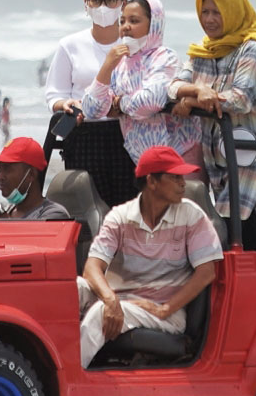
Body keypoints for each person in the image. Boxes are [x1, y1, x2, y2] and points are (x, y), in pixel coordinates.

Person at [76, 146, 224, 368]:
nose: (183, 183)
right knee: (68, 289)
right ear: (152, 182)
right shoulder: (119, 217)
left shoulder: (192, 216)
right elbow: (92, 268)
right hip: (119, 299)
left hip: (165, 313)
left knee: (99, 313)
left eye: (182, 177)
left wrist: (165, 309)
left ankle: (66, 384)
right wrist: (110, 299)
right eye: (175, 177)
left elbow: (207, 273)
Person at [169, 0, 256, 250]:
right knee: (227, 221)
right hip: (215, 151)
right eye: (205, 12)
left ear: (233, 12)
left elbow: (240, 99)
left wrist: (193, 99)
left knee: (235, 215)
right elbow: (173, 87)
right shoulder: (201, 51)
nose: (209, 19)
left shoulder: (250, 49)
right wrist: (195, 91)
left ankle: (249, 277)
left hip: (249, 148)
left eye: (217, 12)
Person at [44, 0, 136, 206]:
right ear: (86, 4)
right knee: (88, 206)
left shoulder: (135, 45)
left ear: (123, 4)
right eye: (96, 1)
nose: (103, 7)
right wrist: (63, 104)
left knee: (129, 205)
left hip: (129, 132)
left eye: (111, 1)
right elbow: (55, 93)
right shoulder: (70, 45)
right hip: (84, 134)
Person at [82, 0, 201, 171]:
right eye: (122, 21)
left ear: (153, 24)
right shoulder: (120, 63)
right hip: (144, 160)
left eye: (134, 21)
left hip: (180, 153)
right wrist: (107, 67)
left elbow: (149, 102)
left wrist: (120, 103)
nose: (126, 27)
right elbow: (92, 109)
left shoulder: (165, 57)